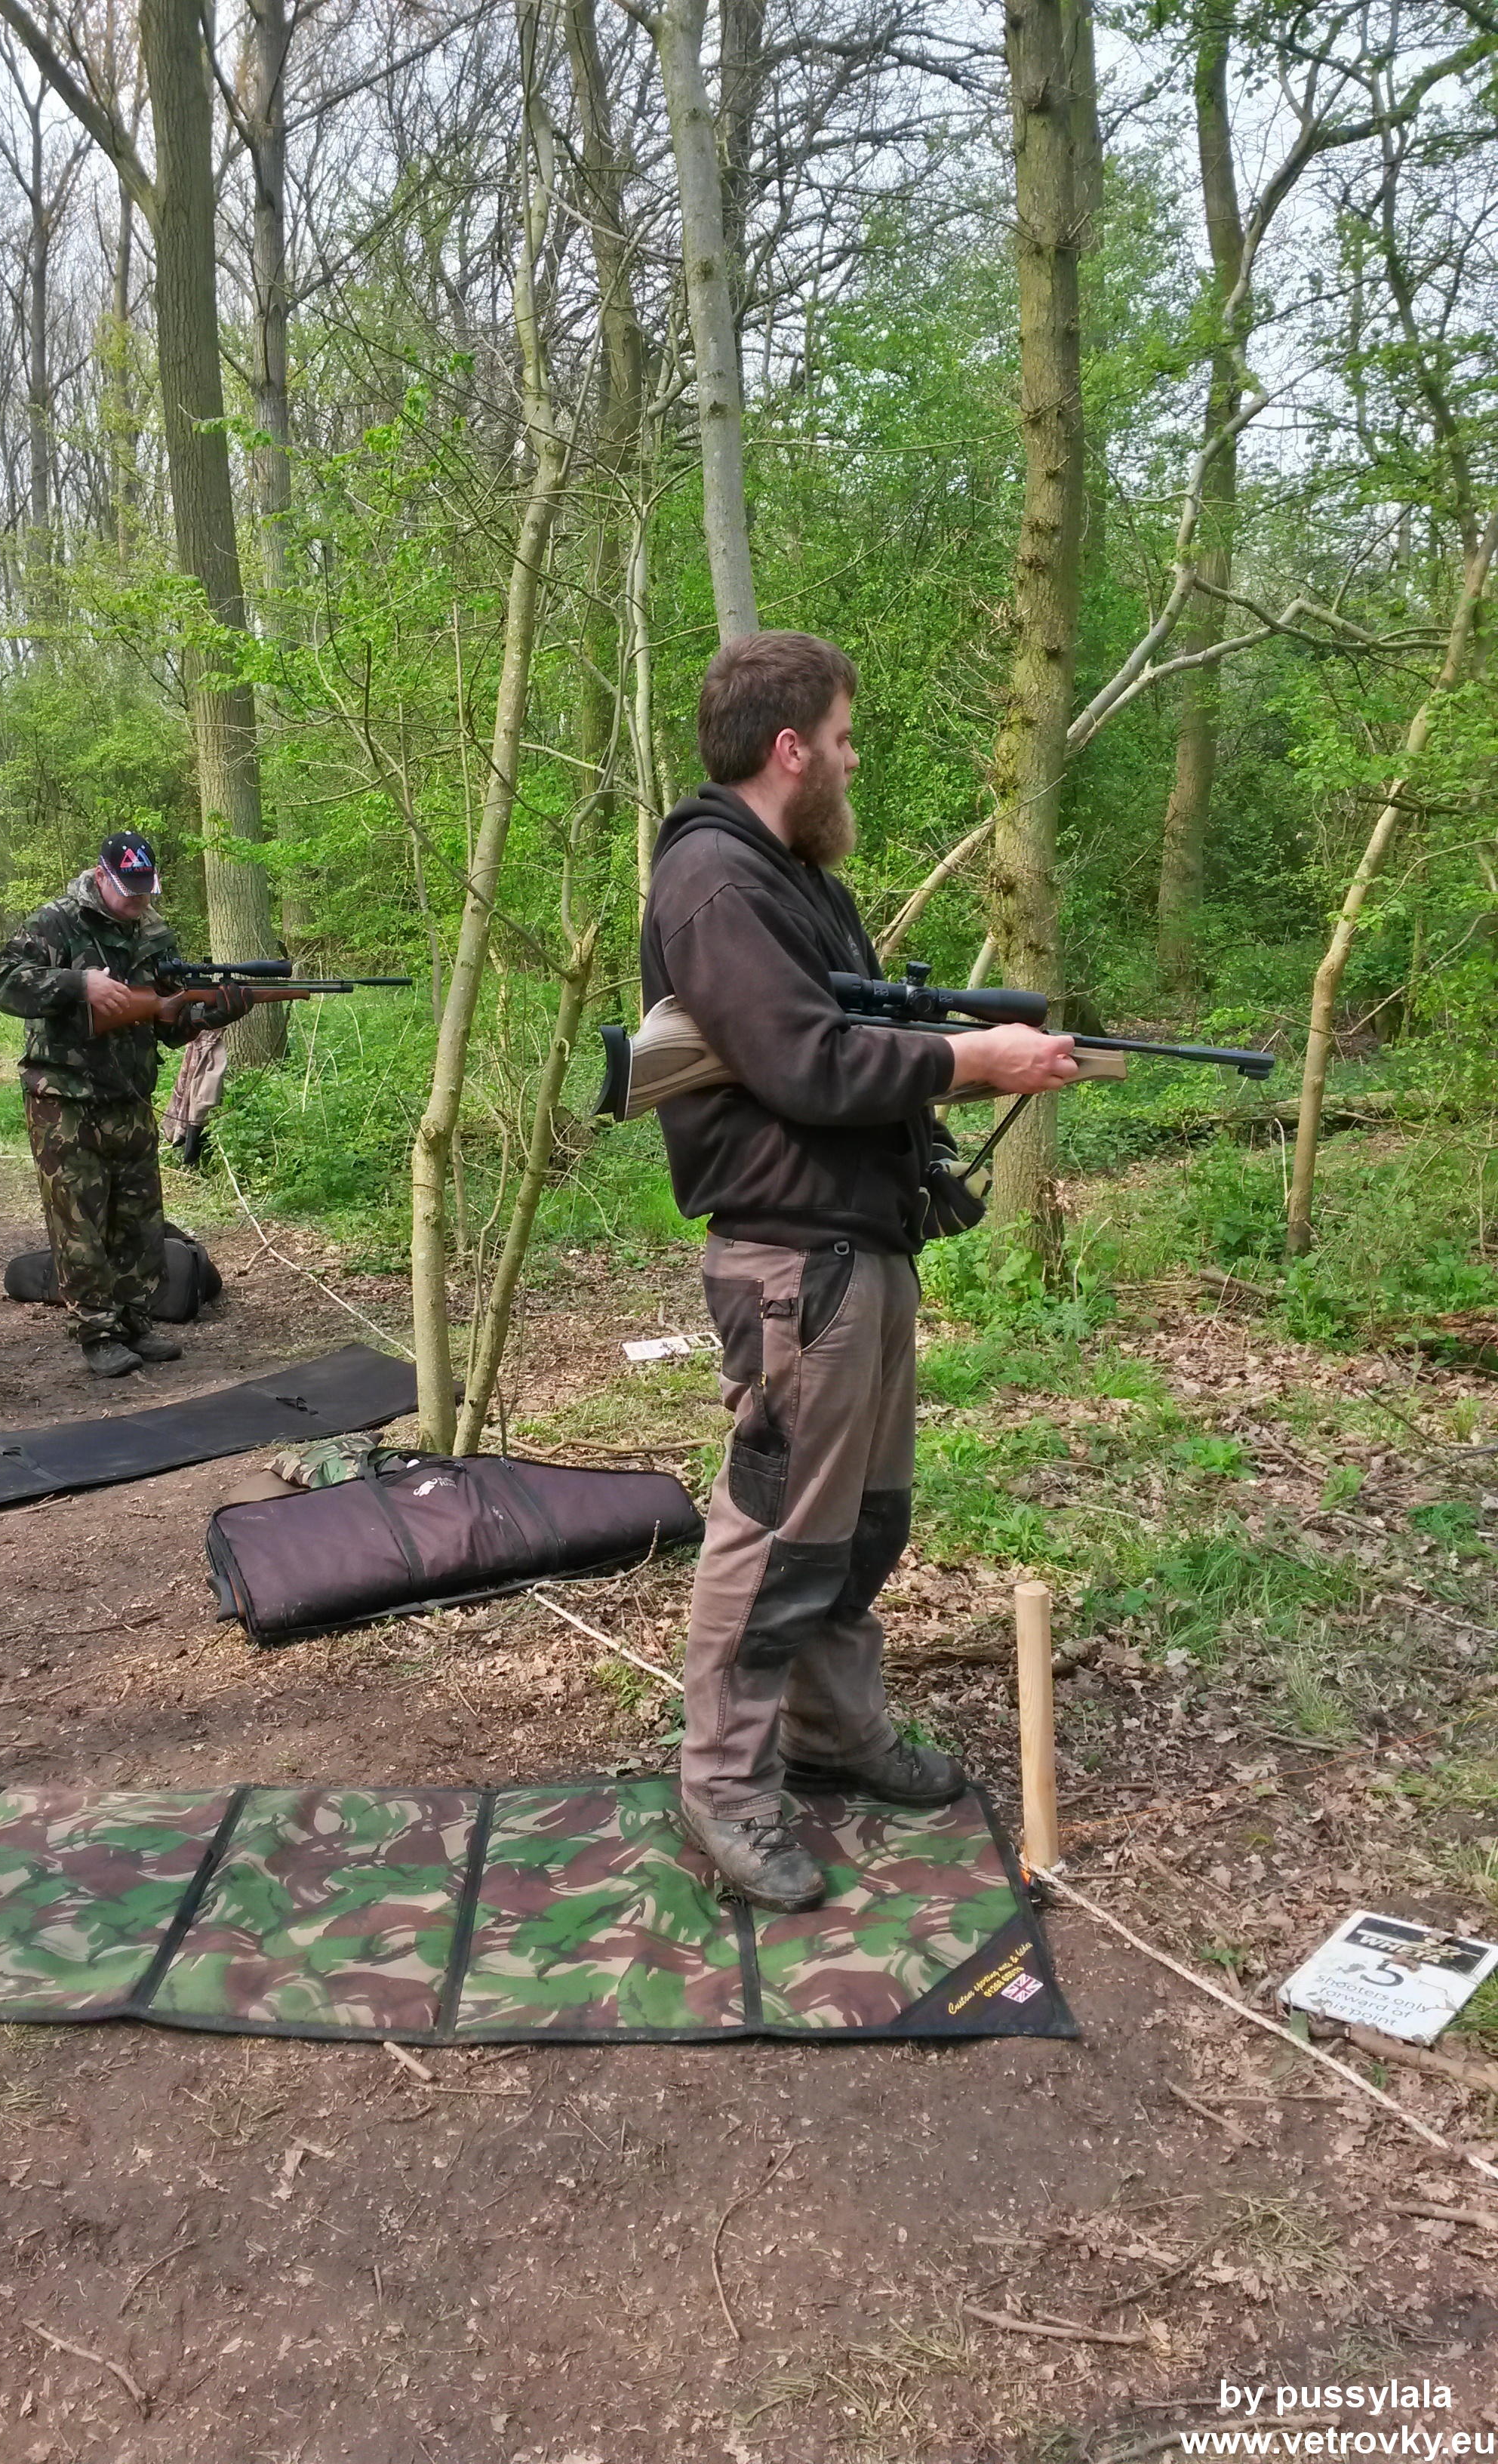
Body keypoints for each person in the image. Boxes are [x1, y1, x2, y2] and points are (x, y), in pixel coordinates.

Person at [640, 632, 1079, 1911]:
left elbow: (857, 1028)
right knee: (777, 1532)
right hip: (793, 1258)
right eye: (840, 738)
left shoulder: (790, 875)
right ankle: (724, 1787)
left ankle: (834, 1730)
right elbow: (804, 1061)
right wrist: (972, 1061)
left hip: (856, 1242)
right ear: (789, 748)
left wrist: (964, 1046)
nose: (850, 759)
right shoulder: (714, 879)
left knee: (858, 1523)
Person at [0, 832, 303, 1381]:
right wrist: (77, 984)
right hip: (64, 1100)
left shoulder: (153, 933)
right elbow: (3, 982)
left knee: (139, 1219)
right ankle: (97, 1332)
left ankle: (135, 1320)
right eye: (128, 888)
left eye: (145, 889)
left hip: (129, 1096)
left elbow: (170, 1023)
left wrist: (216, 1013)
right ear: (100, 876)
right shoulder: (56, 922)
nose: (138, 899)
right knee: (80, 1224)